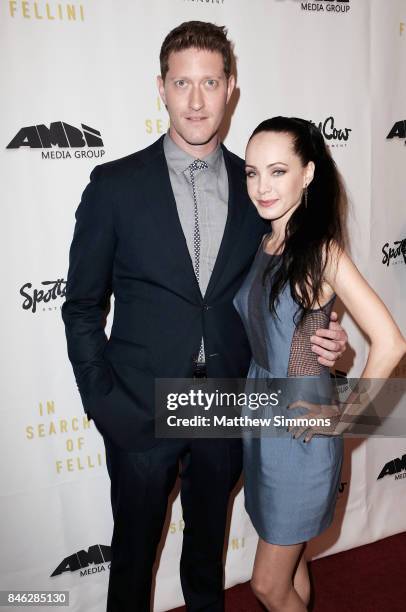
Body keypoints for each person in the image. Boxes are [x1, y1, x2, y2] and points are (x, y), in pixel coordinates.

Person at [61, 23, 348, 612]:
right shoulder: (114, 187)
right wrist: (103, 399)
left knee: (206, 566)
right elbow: (83, 305)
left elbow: (290, 285)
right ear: (161, 88)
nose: (196, 100)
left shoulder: (260, 191)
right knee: (132, 565)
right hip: (138, 407)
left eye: (210, 82)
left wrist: (323, 335)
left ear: (231, 88)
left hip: (226, 405)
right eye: (182, 83)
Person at [233, 116, 406, 612]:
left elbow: (390, 342)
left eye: (277, 171)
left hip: (299, 431)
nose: (262, 187)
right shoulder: (268, 241)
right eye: (251, 173)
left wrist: (347, 418)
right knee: (292, 564)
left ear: (307, 174)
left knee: (266, 584)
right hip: (262, 416)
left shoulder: (321, 252)